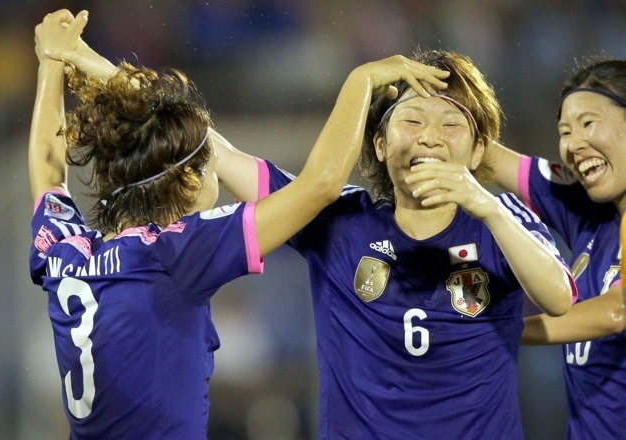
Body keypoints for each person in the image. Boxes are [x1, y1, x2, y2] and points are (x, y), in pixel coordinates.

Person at [29, 10, 451, 439]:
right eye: (208, 164)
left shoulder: (66, 251)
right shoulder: (178, 251)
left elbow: (46, 173)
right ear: (188, 181)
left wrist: (54, 62)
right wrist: (360, 81)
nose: (218, 165)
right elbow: (320, 186)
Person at [213, 51, 577, 438]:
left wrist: (487, 207)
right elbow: (221, 156)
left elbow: (559, 298)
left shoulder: (503, 220)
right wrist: (361, 80)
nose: (429, 137)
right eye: (412, 119)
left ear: (477, 152)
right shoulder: (338, 219)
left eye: (451, 123)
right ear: (381, 144)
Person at [489, 57, 626, 439]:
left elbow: (618, 310)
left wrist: (501, 328)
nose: (572, 144)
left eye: (588, 123)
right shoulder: (586, 211)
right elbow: (485, 156)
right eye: (565, 131)